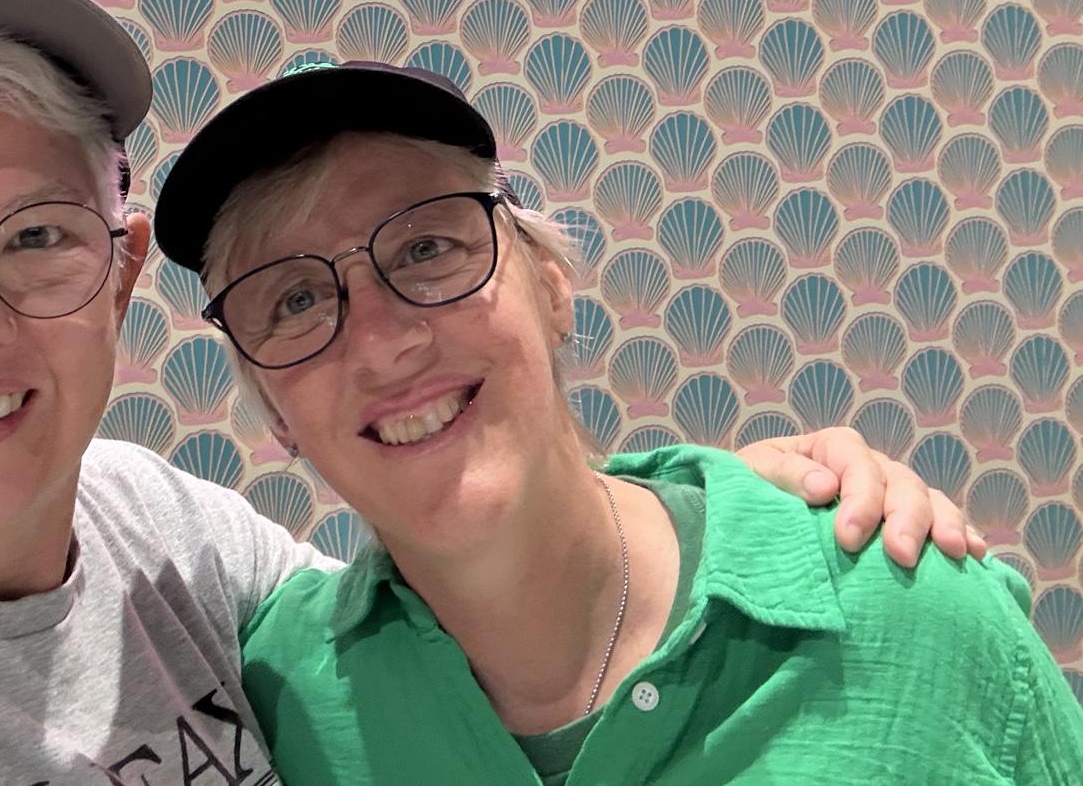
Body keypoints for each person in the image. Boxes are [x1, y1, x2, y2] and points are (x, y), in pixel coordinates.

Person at [0, 0, 983, 784]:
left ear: (121, 278)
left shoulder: (177, 552)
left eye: (38, 240)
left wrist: (729, 517)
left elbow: (470, 552)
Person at [155, 60, 1083, 786]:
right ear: (275, 411)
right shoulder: (276, 703)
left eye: (427, 246)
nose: (383, 343)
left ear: (551, 286)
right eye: (294, 300)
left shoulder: (915, 613)